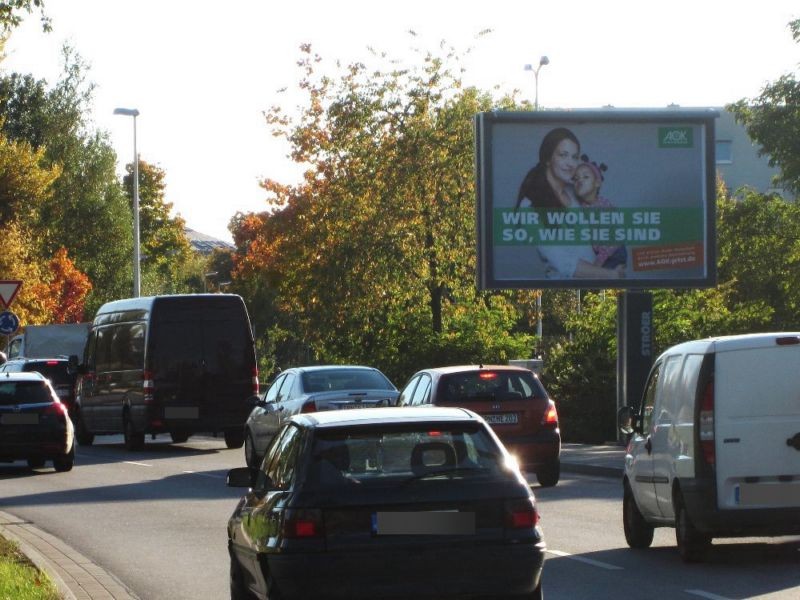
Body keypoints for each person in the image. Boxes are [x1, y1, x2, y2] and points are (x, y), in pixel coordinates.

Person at [516, 128, 625, 279]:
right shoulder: (530, 207)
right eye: (563, 155)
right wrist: (611, 275)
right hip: (565, 293)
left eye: (574, 157)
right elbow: (564, 264)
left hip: (596, 289)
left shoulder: (574, 192)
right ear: (548, 158)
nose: (570, 164)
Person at [573, 155, 628, 269]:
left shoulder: (604, 207)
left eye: (585, 177)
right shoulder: (580, 206)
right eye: (576, 178)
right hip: (599, 251)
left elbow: (612, 241)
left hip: (613, 252)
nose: (580, 181)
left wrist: (598, 262)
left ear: (597, 183)